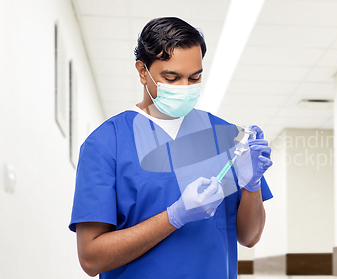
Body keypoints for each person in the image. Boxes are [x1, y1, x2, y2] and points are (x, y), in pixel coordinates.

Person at [69, 17, 273, 279]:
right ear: (143, 71)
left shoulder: (226, 137)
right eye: (172, 78)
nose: (185, 88)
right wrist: (174, 216)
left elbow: (250, 237)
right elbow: (90, 259)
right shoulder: (106, 143)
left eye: (194, 77)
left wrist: (252, 185)